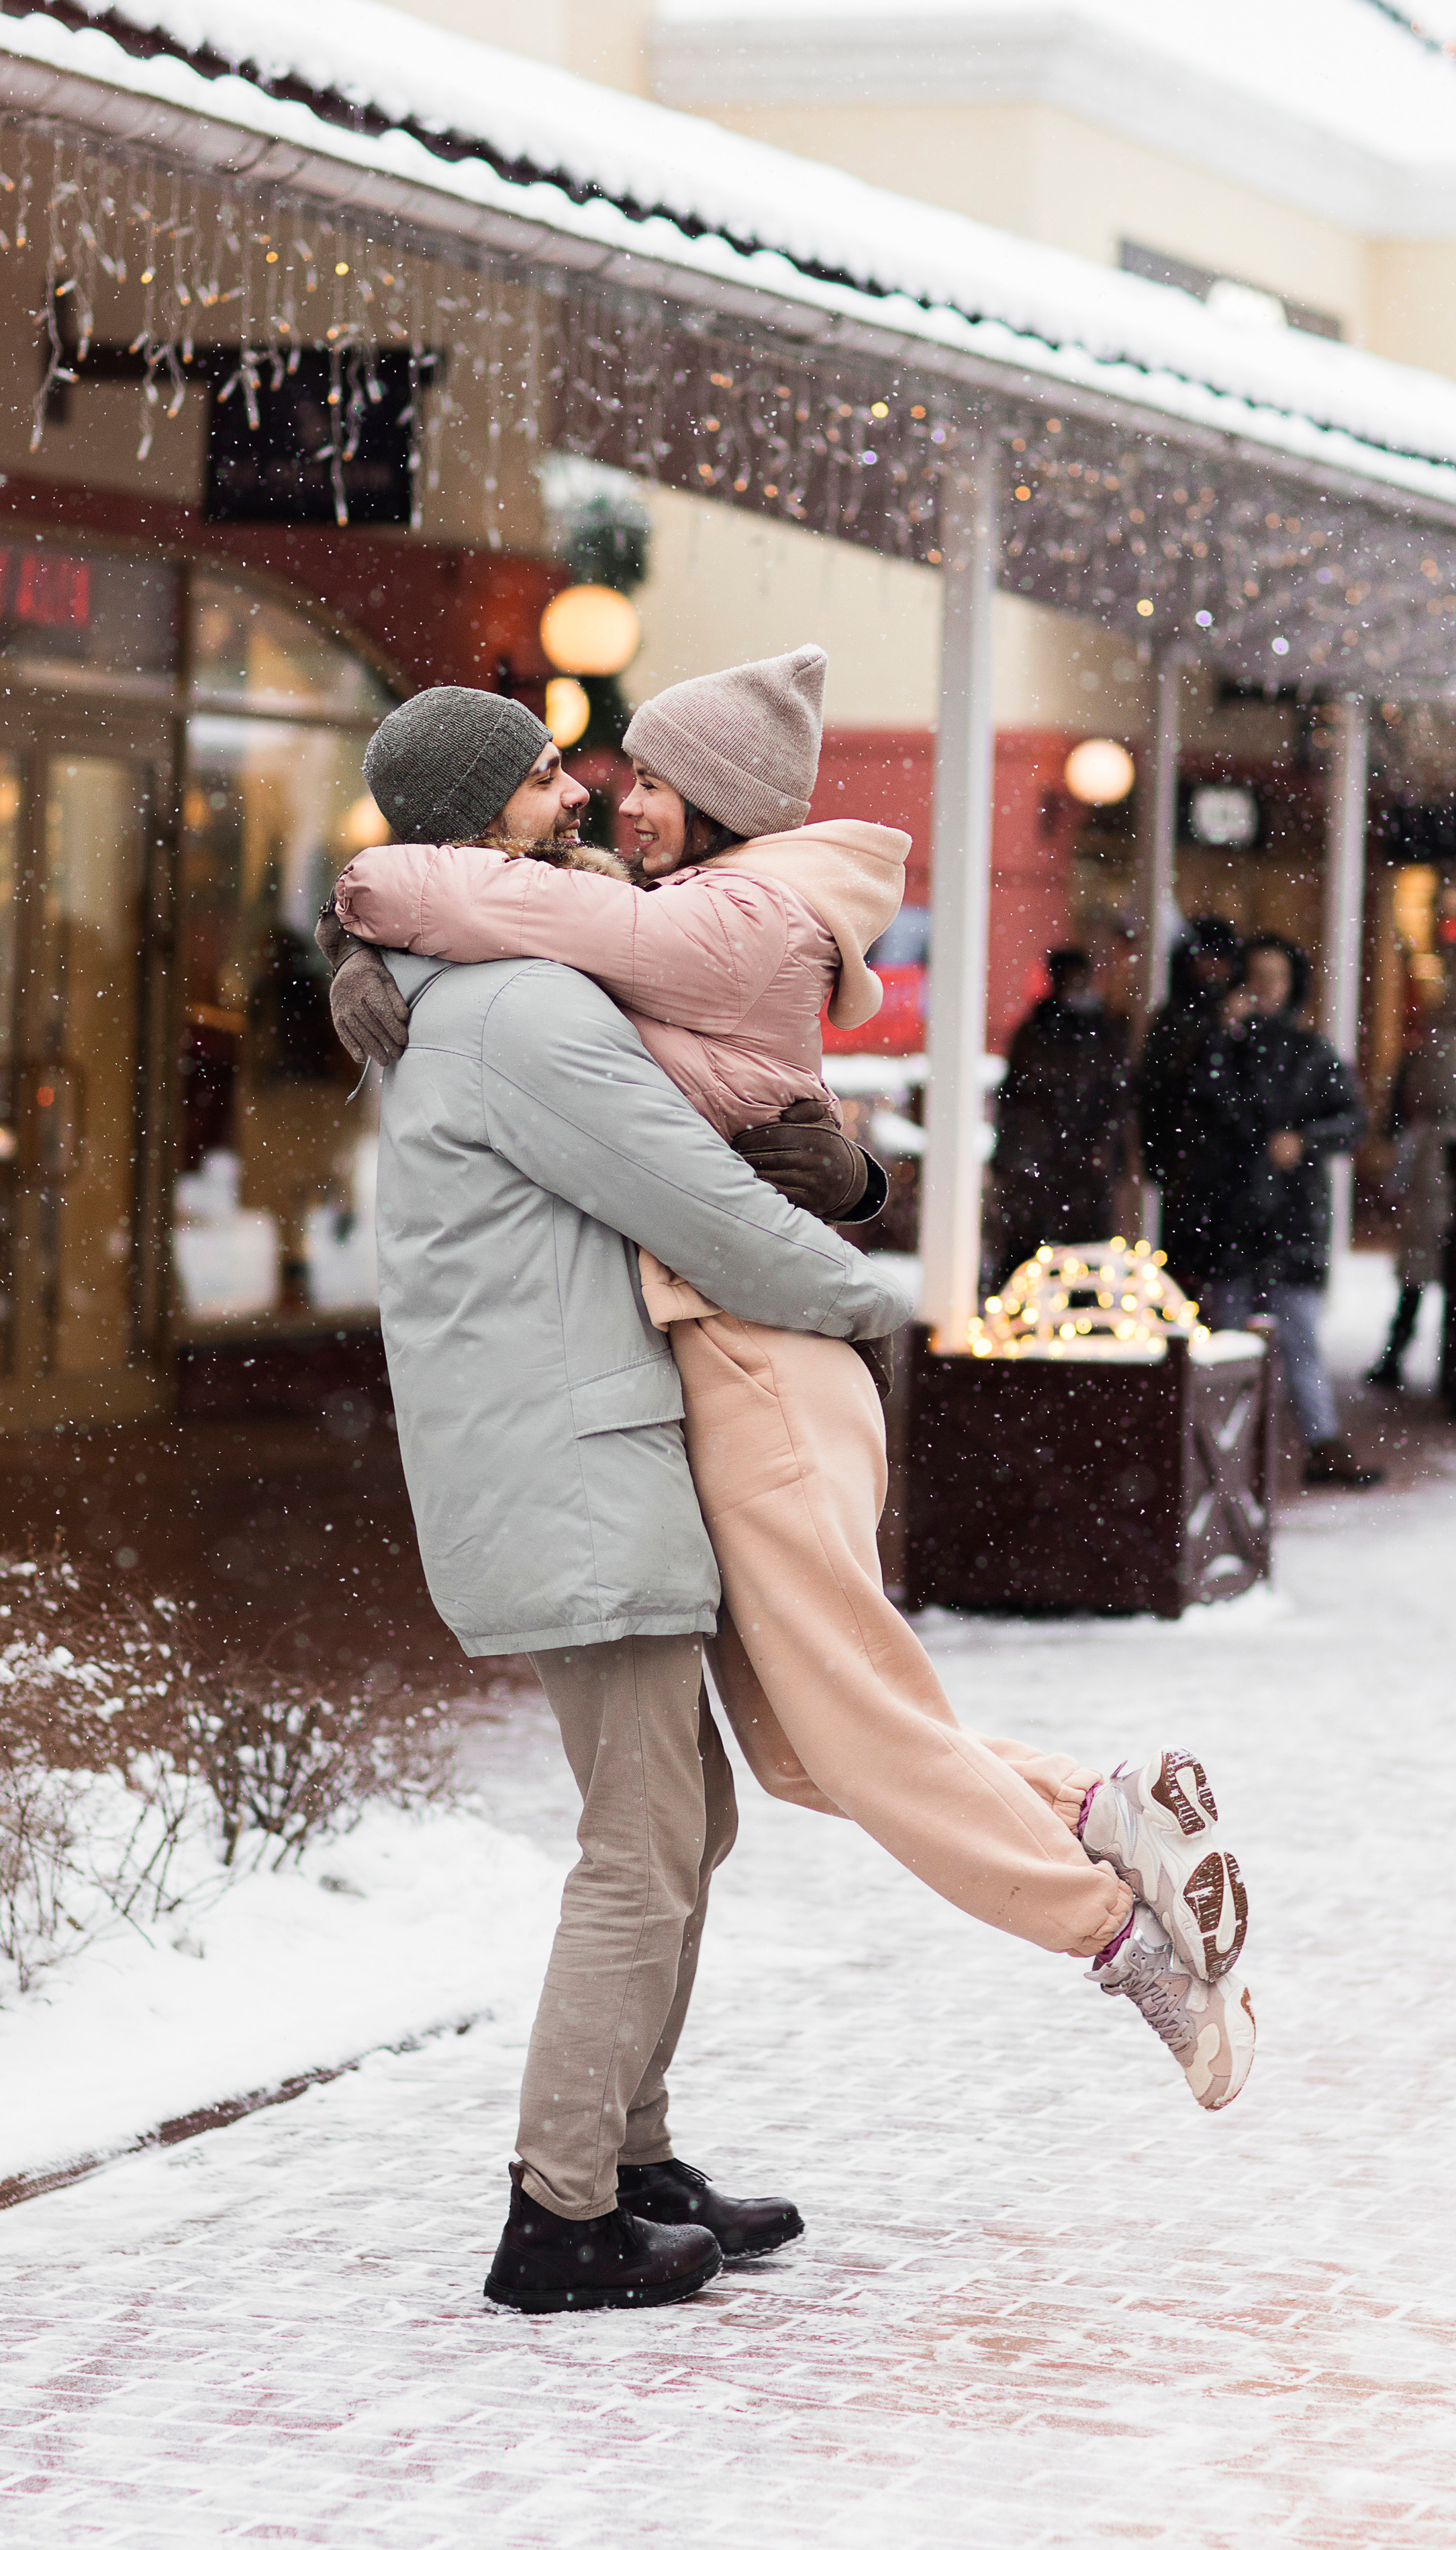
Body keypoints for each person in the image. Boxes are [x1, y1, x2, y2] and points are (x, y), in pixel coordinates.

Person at [334, 652, 1255, 2130]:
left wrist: (370, 899)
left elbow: (510, 909)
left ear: (705, 802)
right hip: (726, 1355)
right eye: (580, 778)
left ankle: (1122, 1940)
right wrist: (379, 959)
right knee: (799, 1747)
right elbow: (528, 927)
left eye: (638, 783)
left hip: (755, 1348)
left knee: (850, 1727)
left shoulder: (734, 915)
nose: (603, 803)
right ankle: (1104, 1810)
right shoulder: (674, 917)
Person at [317, 680, 912, 2316]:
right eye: (537, 783)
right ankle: (559, 2210)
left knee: (680, 1820)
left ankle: (630, 2157)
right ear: (475, 816)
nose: (572, 798)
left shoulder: (495, 980)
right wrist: (870, 1294)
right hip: (572, 1458)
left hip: (568, 1447)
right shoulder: (521, 1016)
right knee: (640, 1839)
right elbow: (693, 1202)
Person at [1179, 932, 1381, 1488]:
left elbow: (1352, 1122)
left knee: (1299, 1339)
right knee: (1224, 1344)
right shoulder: (1220, 1048)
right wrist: (1222, 1035)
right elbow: (1199, 1102)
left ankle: (1321, 1444)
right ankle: (1216, 1455)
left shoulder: (1312, 1054)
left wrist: (1304, 1141)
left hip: (1291, 1219)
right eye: (1257, 976)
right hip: (1232, 1217)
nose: (1266, 989)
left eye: (1277, 977)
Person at [985, 947, 1129, 1290]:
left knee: (1081, 1247)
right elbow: (1018, 1096)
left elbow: (1116, 1098)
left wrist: (1102, 1144)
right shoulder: (1041, 1031)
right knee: (1035, 1244)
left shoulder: (1097, 1032)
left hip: (1075, 1159)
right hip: (1045, 1158)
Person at [1136, 913, 1242, 1274]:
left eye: (1221, 960)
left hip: (1236, 1167)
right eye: (1205, 958)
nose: (1213, 969)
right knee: (1186, 1266)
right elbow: (1157, 1088)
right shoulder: (1177, 1018)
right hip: (1187, 1162)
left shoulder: (1244, 1020)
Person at [1367, 987, 1456, 1399]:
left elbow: (1416, 1092)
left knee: (1421, 1266)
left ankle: (1399, 1352)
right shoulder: (1438, 1040)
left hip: (1435, 1157)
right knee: (1425, 1261)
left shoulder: (1435, 1039)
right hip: (1438, 1160)